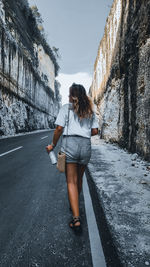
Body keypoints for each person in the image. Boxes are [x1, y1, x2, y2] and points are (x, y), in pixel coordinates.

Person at [46, 83, 98, 232]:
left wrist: (53, 145)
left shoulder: (66, 108)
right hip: (85, 145)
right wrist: (84, 131)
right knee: (79, 179)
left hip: (70, 144)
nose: (68, 97)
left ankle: (76, 219)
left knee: (71, 181)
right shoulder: (90, 110)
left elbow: (59, 129)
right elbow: (94, 131)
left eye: (69, 94)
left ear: (72, 95)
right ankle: (74, 202)